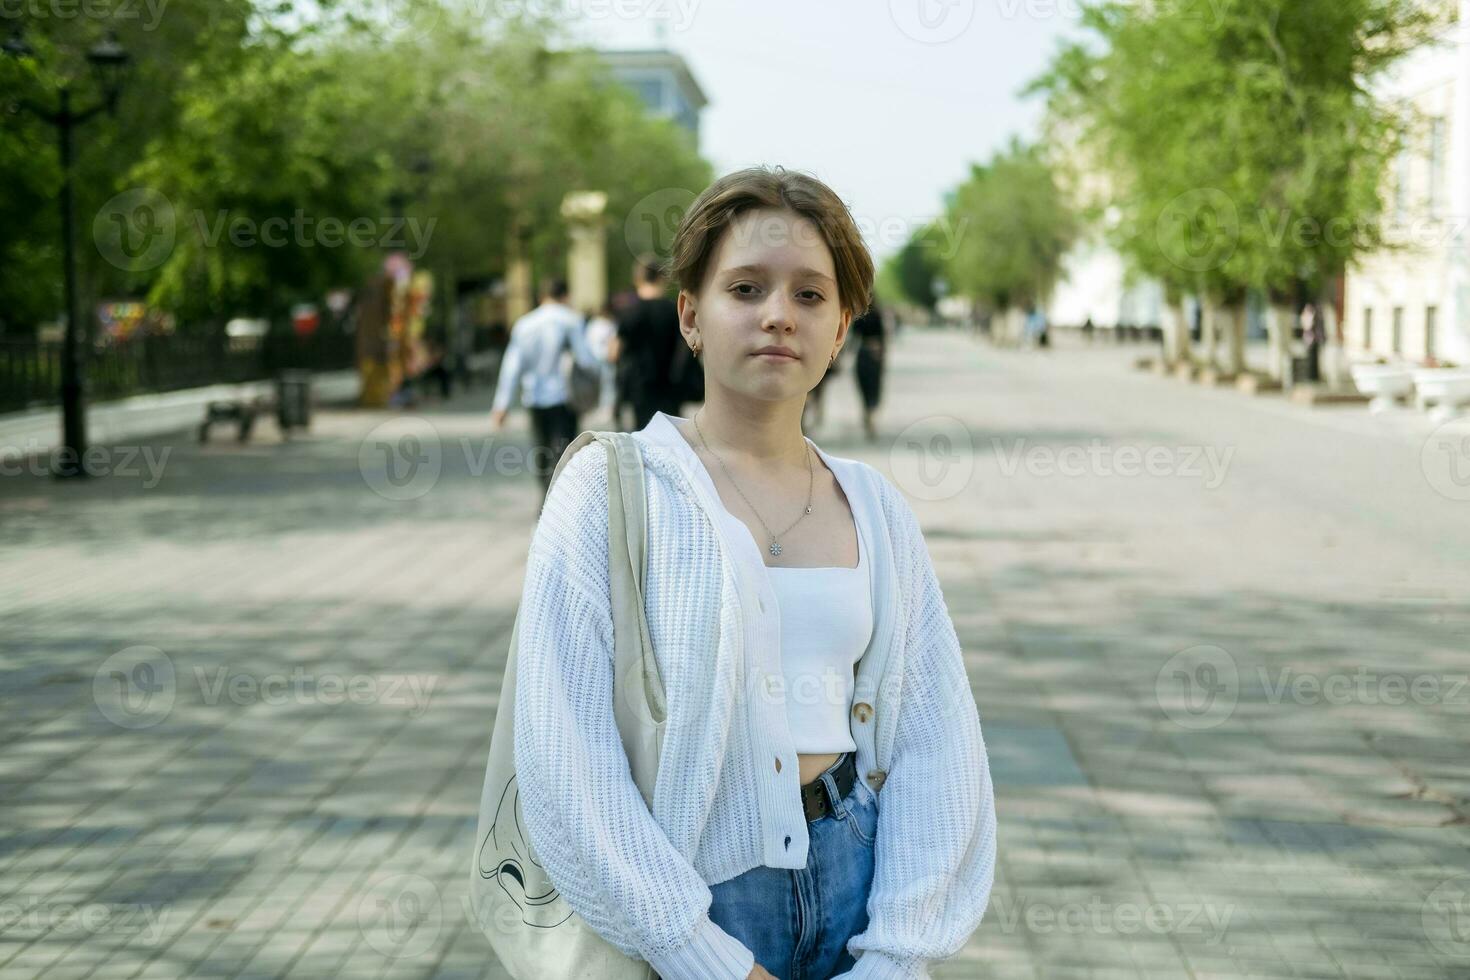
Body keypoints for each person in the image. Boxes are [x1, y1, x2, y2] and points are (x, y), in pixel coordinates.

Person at [510, 165, 996, 980]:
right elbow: (564, 749)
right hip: (688, 892)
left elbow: (935, 738)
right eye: (746, 287)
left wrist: (898, 952)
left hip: (857, 882)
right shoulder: (610, 488)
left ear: (841, 330)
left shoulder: (874, 504)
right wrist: (696, 952)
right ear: (692, 317)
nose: (778, 314)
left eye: (811, 295)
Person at [489, 278, 601, 502]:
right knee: (565, 454)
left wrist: (501, 405)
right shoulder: (571, 321)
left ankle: (544, 500)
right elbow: (586, 360)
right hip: (564, 398)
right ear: (565, 296)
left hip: (534, 398)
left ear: (542, 297)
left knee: (542, 452)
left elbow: (512, 365)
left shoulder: (524, 324)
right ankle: (561, 505)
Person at [617, 255, 683, 429]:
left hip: (639, 388)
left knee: (643, 437)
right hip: (671, 386)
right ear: (662, 278)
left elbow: (614, 352)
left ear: (637, 278)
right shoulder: (674, 310)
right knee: (672, 437)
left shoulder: (630, 312)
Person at [850, 295, 886, 442]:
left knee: (865, 386)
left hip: (864, 354)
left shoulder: (860, 317)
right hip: (873, 354)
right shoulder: (877, 315)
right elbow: (883, 338)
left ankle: (868, 414)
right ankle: (870, 415)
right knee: (872, 387)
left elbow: (853, 339)